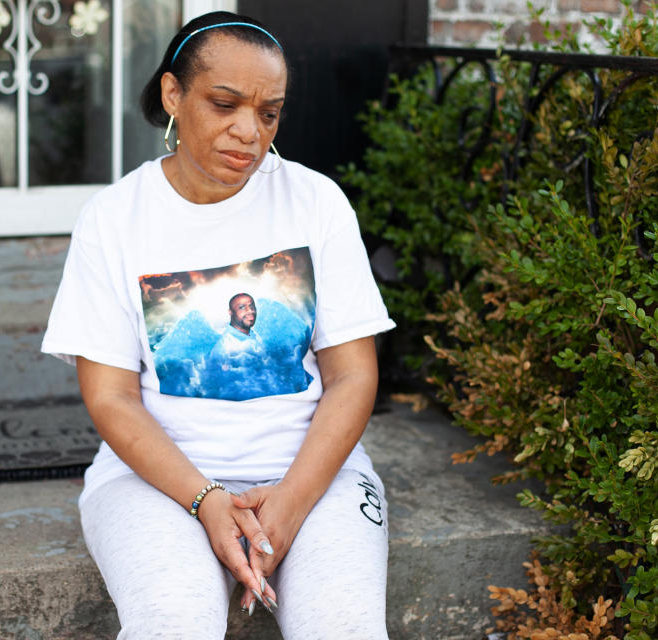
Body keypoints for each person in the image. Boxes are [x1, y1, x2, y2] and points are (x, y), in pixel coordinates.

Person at [41, 11, 395, 639]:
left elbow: (352, 377)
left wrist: (289, 502)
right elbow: (110, 395)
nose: (248, 133)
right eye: (225, 103)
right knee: (172, 621)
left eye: (269, 113)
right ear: (173, 94)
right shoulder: (114, 219)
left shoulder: (316, 203)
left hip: (315, 472)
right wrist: (206, 501)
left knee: (343, 626)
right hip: (155, 482)